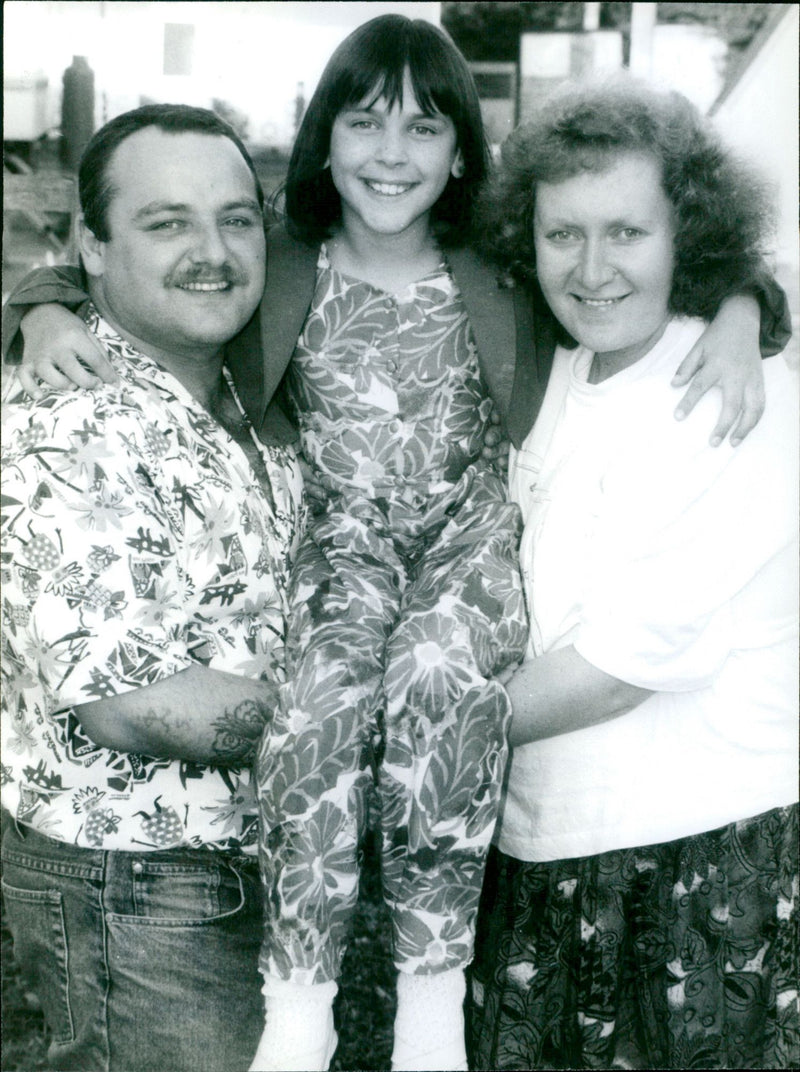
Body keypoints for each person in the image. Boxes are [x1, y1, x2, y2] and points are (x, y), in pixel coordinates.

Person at [2, 19, 791, 1072]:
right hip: (343, 548)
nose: (390, 152)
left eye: (423, 127)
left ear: (463, 151)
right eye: (364, 122)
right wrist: (41, 310)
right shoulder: (279, 261)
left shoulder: (505, 270)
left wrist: (744, 309)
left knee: (438, 682)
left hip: (469, 543)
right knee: (319, 698)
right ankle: (301, 1000)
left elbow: (660, 263)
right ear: (322, 140)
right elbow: (134, 268)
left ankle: (429, 997)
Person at [467, 76, 799, 1070]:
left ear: (686, 237)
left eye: (626, 233)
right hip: (541, 846)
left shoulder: (730, 390)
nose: (592, 268)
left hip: (698, 866)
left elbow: (620, 666)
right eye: (562, 233)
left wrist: (402, 741)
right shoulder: (553, 371)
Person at [0, 104, 305, 1072]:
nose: (212, 252)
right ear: (92, 245)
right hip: (139, 889)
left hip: (255, 866)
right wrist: (374, 729)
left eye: (235, 218)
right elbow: (132, 702)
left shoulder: (247, 385)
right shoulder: (69, 422)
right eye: (167, 222)